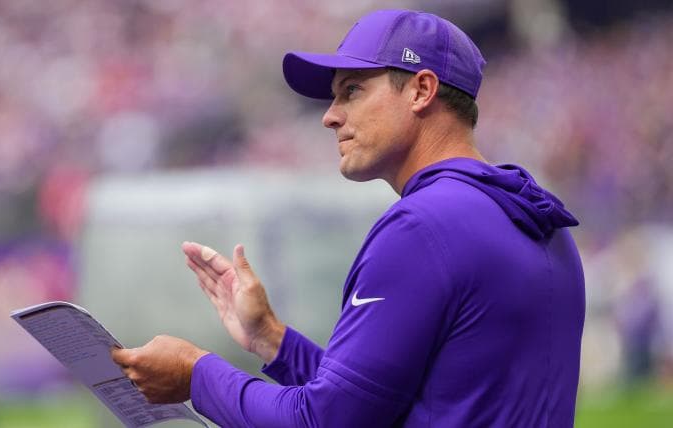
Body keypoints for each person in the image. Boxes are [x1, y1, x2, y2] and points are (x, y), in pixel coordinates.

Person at [112, 9, 585, 427]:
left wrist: (196, 374)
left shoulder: (421, 226)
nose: (330, 116)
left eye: (352, 90)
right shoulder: (537, 217)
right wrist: (271, 339)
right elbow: (375, 402)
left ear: (421, 90)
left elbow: (324, 421)